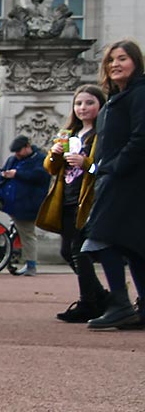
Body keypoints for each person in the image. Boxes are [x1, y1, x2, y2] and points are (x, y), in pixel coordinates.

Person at [80, 39, 145, 331]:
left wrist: (114, 168)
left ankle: (119, 304)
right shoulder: (117, 97)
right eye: (111, 60)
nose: (115, 64)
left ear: (135, 62)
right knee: (133, 247)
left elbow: (140, 138)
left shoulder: (140, 93)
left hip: (127, 179)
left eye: (122, 59)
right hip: (116, 178)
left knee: (99, 237)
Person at [40, 85, 109, 323]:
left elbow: (101, 169)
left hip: (88, 198)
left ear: (100, 105)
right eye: (79, 104)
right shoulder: (70, 132)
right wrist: (54, 154)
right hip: (67, 198)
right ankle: (100, 297)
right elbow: (50, 168)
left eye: (89, 103)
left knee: (79, 251)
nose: (83, 108)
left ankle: (90, 302)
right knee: (67, 251)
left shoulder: (102, 133)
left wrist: (85, 162)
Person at [0, 134, 47, 275]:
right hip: (10, 200)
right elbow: (1, 175)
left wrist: (17, 174)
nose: (17, 154)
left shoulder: (40, 159)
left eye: (19, 151)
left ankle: (31, 265)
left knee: (27, 234)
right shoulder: (13, 159)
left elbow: (41, 176)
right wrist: (4, 175)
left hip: (27, 203)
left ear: (27, 147)